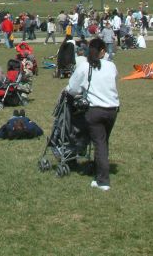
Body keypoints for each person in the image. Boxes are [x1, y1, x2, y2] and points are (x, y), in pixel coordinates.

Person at [66, 37, 119, 191]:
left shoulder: (84, 67)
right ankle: (99, 171)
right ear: (102, 51)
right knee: (103, 142)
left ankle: (103, 181)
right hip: (112, 109)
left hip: (95, 110)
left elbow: (72, 89)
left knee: (99, 143)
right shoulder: (111, 66)